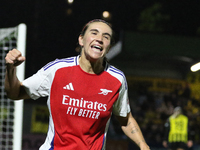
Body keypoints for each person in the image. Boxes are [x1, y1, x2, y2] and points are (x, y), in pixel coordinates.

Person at [5, 19, 150, 150]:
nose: (99, 39)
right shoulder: (57, 69)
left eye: (106, 37)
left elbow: (126, 119)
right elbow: (14, 93)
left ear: (109, 47)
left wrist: (143, 144)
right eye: (94, 33)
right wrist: (11, 69)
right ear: (81, 40)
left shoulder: (117, 79)